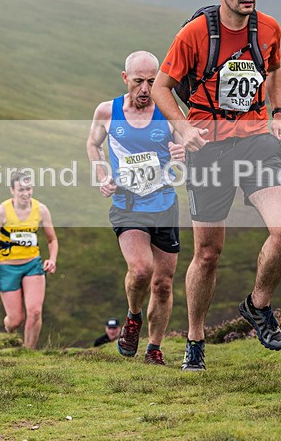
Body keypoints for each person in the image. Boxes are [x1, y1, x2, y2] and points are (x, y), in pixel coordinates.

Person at [151, 0, 281, 371]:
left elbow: (274, 71)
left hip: (256, 142)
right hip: (208, 149)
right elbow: (163, 87)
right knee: (208, 254)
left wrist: (278, 113)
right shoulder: (196, 34)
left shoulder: (268, 28)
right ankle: (196, 339)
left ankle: (257, 305)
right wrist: (183, 128)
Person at [87, 50, 185, 366]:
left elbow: (191, 146)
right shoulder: (107, 111)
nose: (145, 89)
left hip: (164, 204)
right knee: (141, 269)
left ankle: (154, 348)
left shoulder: (170, 112)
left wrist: (181, 152)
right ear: (125, 78)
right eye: (139, 81)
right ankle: (133, 318)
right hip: (127, 204)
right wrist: (102, 175)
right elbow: (92, 144)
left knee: (163, 283)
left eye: (152, 82)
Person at [0, 171, 58, 349]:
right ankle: (7, 332)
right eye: (21, 189)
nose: (26, 193)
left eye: (29, 188)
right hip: (7, 268)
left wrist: (52, 259)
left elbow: (52, 240)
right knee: (16, 320)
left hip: (32, 265)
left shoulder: (41, 210)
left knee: (35, 311)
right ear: (12, 190)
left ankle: (28, 352)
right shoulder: (3, 211)